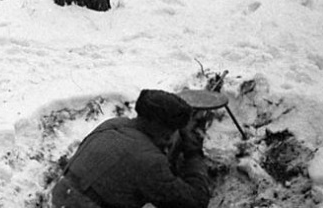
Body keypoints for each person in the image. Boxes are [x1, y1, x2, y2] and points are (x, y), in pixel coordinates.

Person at [50, 89, 210, 208]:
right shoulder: (149, 161)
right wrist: (193, 153)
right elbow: (196, 202)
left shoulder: (112, 125)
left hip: (62, 198)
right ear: (161, 128)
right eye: (172, 129)